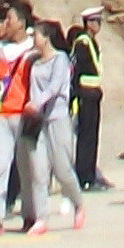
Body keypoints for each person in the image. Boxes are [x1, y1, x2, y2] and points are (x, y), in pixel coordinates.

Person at [0, 4, 44, 236]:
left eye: (9, 19)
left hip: (24, 114)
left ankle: (30, 213)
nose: (4, 24)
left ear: (21, 23)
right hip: (2, 114)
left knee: (27, 167)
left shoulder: (33, 50)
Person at [31, 19, 83, 232]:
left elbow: (54, 87)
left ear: (46, 38)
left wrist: (37, 102)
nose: (34, 39)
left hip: (58, 119)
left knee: (62, 169)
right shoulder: (34, 63)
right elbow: (33, 88)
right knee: (39, 171)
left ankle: (78, 204)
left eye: (36, 35)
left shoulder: (60, 59)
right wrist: (33, 109)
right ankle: (41, 218)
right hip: (39, 122)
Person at [71, 15, 109, 190]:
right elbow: (79, 70)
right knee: (85, 137)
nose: (98, 25)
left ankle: (90, 175)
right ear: (88, 23)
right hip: (85, 93)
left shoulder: (92, 42)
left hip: (93, 93)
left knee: (92, 136)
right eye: (95, 21)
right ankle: (83, 177)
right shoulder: (82, 43)